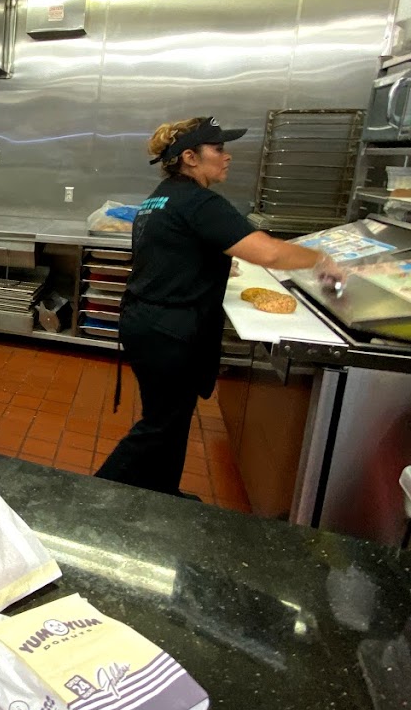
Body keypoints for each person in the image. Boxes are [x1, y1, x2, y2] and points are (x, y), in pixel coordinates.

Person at [95, 115, 343, 498]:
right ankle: (83, 495)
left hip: (150, 322)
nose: (227, 157)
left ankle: (163, 492)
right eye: (219, 149)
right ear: (191, 157)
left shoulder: (163, 195)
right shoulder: (198, 201)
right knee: (160, 425)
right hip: (168, 331)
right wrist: (321, 259)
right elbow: (269, 251)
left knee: (172, 421)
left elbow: (174, 252)